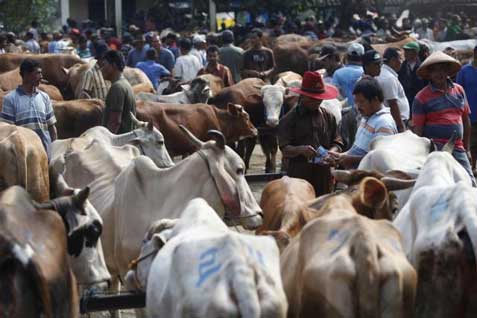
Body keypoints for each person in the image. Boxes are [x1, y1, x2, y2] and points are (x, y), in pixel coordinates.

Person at [413, 51, 476, 185]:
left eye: (442, 69)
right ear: (429, 74)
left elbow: (465, 120)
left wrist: (467, 149)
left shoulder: (459, 90)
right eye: (434, 70)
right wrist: (419, 156)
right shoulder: (421, 97)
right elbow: (418, 131)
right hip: (434, 149)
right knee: (433, 186)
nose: (439, 73)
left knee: (470, 184)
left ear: (448, 71)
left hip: (458, 148)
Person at [278, 71, 343, 196]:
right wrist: (301, 150)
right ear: (303, 96)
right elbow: (285, 149)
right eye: (313, 99)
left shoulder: (328, 117)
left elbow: (337, 141)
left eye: (319, 98)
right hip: (299, 176)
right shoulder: (288, 120)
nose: (317, 102)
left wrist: (332, 152)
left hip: (323, 175)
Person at [326, 78, 397, 169]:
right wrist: (340, 156)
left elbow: (380, 159)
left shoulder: (384, 123)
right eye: (356, 102)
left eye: (362, 102)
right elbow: (356, 150)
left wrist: (350, 159)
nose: (358, 106)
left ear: (375, 100)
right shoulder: (366, 117)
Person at [0, 59, 57, 156]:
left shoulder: (44, 97)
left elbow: (51, 127)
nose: (41, 76)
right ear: (26, 75)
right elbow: (7, 132)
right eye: (38, 73)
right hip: (24, 154)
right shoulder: (10, 99)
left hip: (45, 151)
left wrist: (54, 149)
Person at [100, 50, 136, 134]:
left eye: (104, 65)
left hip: (118, 143)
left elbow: (115, 122)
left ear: (114, 65)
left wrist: (107, 141)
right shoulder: (125, 84)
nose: (101, 69)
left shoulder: (117, 88)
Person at [375, 48, 409, 132]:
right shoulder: (389, 78)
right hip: (395, 121)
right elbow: (393, 104)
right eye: (400, 59)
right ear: (393, 60)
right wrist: (400, 126)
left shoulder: (385, 74)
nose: (402, 62)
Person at [457, 45, 477, 172]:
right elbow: (458, 91)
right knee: (471, 142)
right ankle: (473, 167)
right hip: (470, 114)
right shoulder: (464, 71)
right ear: (475, 53)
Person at [332, 42, 364, 109]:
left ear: (347, 56)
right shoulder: (365, 72)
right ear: (362, 57)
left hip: (345, 112)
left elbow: (334, 94)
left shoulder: (338, 73)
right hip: (364, 112)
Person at [398, 41, 427, 109]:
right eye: (405, 51)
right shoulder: (402, 67)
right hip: (407, 101)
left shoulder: (423, 67)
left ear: (415, 52)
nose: (405, 54)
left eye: (408, 51)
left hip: (421, 101)